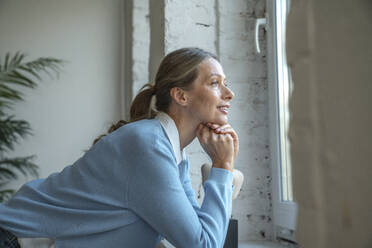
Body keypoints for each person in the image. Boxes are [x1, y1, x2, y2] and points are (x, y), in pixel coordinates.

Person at [0, 47, 238, 248]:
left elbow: (197, 230)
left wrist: (221, 175)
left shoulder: (172, 150)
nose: (230, 94)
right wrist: (222, 168)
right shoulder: (149, 146)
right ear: (181, 96)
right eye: (215, 83)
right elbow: (202, 244)